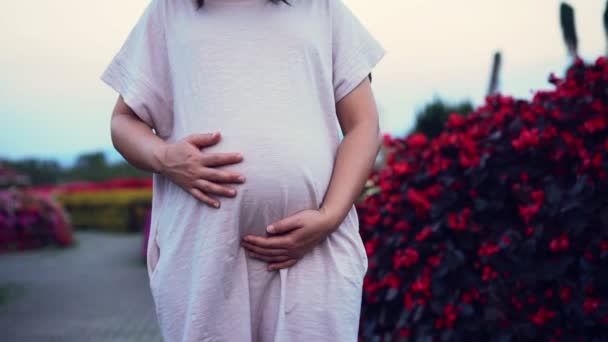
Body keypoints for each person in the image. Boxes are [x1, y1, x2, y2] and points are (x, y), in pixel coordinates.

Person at [101, 0, 385, 340]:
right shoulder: (169, 10)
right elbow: (123, 121)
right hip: (203, 256)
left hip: (315, 252)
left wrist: (329, 215)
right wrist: (165, 157)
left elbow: (364, 124)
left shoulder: (321, 8)